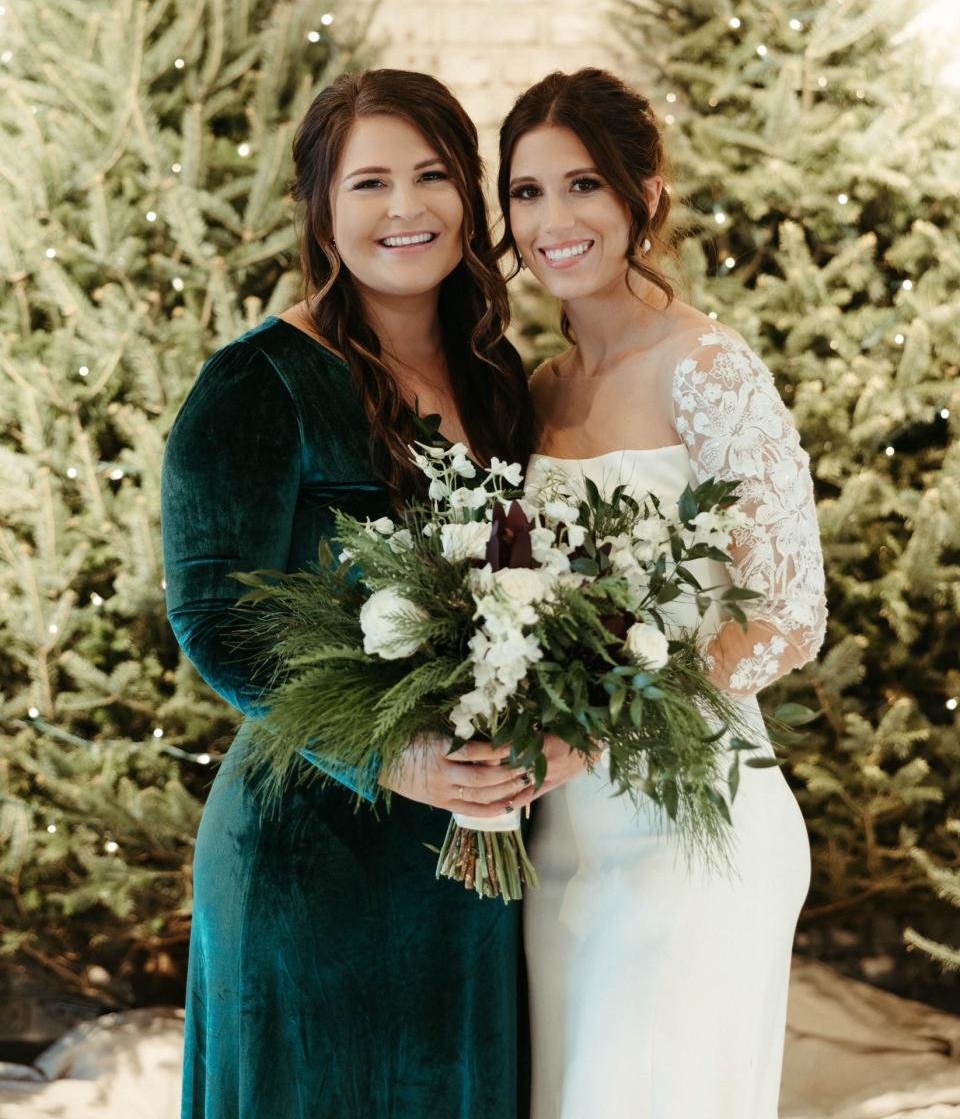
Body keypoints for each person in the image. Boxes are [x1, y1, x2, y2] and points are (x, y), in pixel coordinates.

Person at [160, 69, 537, 1119]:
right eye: (369, 182)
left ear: (468, 192)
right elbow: (212, 618)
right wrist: (395, 758)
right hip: (312, 863)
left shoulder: (497, 377)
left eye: (432, 175)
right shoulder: (258, 381)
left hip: (472, 872)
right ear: (323, 211)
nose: (406, 208)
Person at [496, 67, 828, 1119]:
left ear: (643, 192)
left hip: (697, 831)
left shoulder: (711, 370)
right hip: (562, 847)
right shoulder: (535, 392)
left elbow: (789, 613)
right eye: (525, 192)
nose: (553, 220)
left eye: (581, 184)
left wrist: (605, 722)